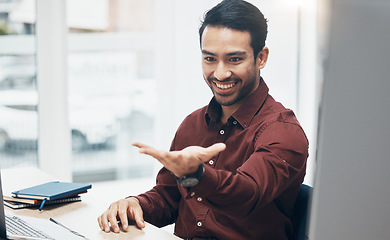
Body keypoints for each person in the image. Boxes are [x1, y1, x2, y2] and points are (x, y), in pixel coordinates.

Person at [97, 0, 308, 239]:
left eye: (234, 59)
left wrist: (196, 175)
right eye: (209, 59)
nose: (219, 73)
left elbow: (246, 194)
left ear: (261, 58)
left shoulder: (283, 132)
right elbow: (169, 197)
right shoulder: (192, 124)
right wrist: (135, 205)